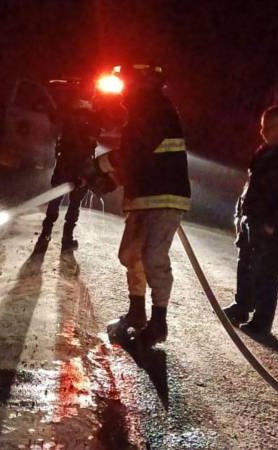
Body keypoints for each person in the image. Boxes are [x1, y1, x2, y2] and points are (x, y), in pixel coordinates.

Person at [97, 64, 191, 347]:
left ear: (141, 83)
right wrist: (114, 177)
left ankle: (158, 323)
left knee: (153, 257)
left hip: (165, 197)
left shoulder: (157, 110)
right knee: (130, 254)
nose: (124, 88)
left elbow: (135, 151)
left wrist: (100, 166)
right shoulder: (142, 111)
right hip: (143, 196)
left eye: (127, 82)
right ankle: (136, 313)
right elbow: (138, 158)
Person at [223, 106, 278, 335]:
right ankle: (242, 306)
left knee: (265, 272)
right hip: (251, 218)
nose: (262, 132)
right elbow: (250, 185)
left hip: (271, 224)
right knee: (246, 263)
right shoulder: (264, 152)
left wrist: (274, 222)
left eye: (268, 127)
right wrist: (240, 213)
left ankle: (262, 321)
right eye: (262, 127)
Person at [33, 84, 100, 254]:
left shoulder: (69, 111)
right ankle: (66, 239)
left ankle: (45, 235)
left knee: (56, 199)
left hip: (66, 161)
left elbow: (54, 123)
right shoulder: (93, 114)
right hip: (82, 164)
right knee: (74, 203)